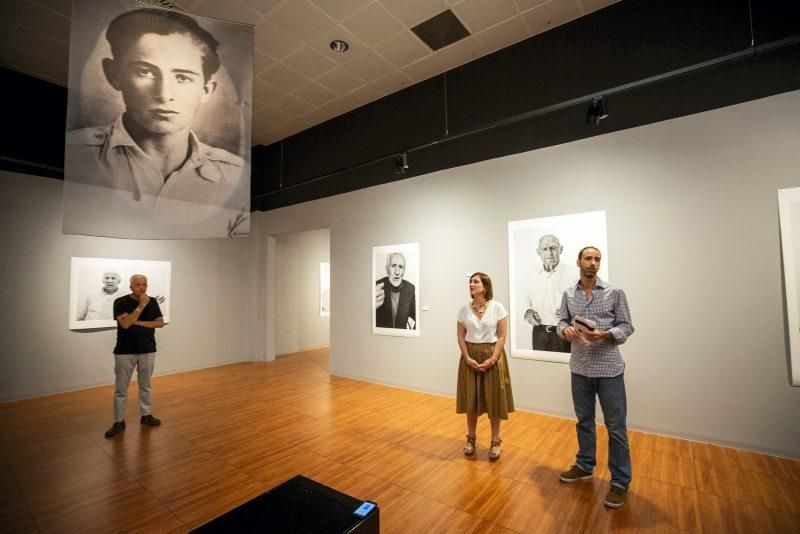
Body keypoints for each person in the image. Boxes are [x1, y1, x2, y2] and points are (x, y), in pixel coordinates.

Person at [64, 8, 249, 239]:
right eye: (145, 72)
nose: (164, 94)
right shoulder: (73, 153)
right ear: (114, 74)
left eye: (182, 77)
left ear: (206, 89)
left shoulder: (235, 174)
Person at [556, 247, 634, 508]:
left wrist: (605, 334)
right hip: (579, 369)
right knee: (584, 421)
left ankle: (620, 482)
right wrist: (564, 329)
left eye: (597, 259)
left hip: (609, 370)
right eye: (588, 258)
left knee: (616, 428)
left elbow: (627, 326)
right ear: (578, 262)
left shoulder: (614, 292)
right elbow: (561, 321)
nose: (593, 263)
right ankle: (584, 465)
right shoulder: (568, 293)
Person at [456, 272, 514, 461]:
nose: (472, 284)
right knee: (471, 399)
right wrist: (466, 357)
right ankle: (471, 438)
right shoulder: (464, 310)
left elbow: (502, 335)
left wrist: (494, 358)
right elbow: (460, 336)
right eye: (471, 282)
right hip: (470, 357)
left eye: (476, 282)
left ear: (485, 286)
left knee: (494, 400)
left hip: (492, 356)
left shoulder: (497, 308)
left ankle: (495, 441)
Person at [105, 274, 166, 438]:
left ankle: (145, 415)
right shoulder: (120, 302)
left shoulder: (152, 301)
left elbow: (160, 322)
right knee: (121, 389)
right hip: (125, 350)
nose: (142, 287)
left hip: (148, 349)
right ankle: (119, 421)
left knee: (145, 385)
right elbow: (125, 324)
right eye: (138, 284)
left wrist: (137, 322)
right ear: (131, 286)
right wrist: (141, 307)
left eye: (144, 284)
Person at [524, 234, 577, 352]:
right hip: (539, 334)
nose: (549, 253)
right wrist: (527, 311)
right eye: (544, 249)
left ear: (561, 249)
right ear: (538, 252)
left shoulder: (574, 275)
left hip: (565, 332)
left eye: (553, 248)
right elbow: (524, 300)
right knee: (539, 369)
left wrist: (571, 312)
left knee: (564, 369)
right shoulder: (531, 275)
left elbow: (584, 304)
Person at [375, 252, 416, 329]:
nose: (397, 272)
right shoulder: (377, 286)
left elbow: (418, 316)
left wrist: (413, 332)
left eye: (400, 267)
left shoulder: (410, 288)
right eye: (393, 266)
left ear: (404, 270)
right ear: (387, 268)